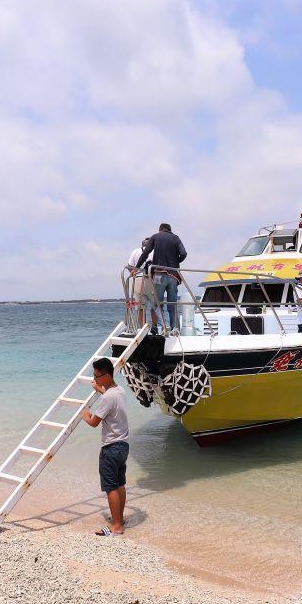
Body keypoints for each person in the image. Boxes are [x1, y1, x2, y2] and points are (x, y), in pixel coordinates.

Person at [80, 357, 130, 536]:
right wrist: (100, 390)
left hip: (110, 448)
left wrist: (84, 414)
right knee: (120, 483)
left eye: (98, 376)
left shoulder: (107, 398)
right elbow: (111, 400)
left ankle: (116, 526)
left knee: (110, 487)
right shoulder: (120, 391)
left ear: (107, 375)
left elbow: (94, 422)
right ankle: (120, 518)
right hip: (123, 446)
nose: (96, 379)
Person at [135, 222, 187, 332]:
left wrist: (136, 267)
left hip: (159, 275)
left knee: (157, 303)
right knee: (172, 304)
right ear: (169, 230)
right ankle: (175, 328)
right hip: (173, 276)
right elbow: (184, 253)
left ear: (160, 230)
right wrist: (175, 261)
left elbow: (145, 253)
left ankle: (165, 325)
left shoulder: (155, 237)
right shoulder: (176, 238)